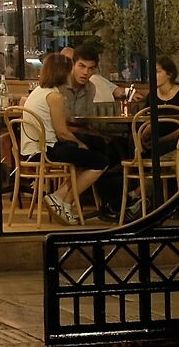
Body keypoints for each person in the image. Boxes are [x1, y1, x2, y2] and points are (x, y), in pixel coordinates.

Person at [18, 52, 113, 225]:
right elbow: (62, 132)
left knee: (83, 159)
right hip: (46, 150)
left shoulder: (39, 92)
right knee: (100, 161)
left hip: (32, 149)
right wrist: (81, 144)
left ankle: (61, 200)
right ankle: (62, 200)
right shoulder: (54, 96)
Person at [71, 38, 119, 116]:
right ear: (72, 64)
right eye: (81, 66)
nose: (85, 72)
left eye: (90, 68)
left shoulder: (91, 87)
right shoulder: (61, 87)